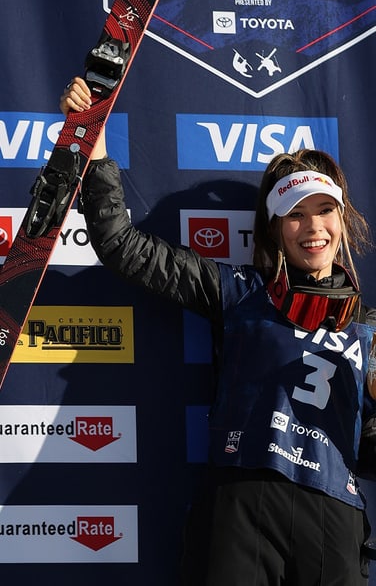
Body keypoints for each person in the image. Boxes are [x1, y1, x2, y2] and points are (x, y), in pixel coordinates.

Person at [61, 76, 376, 586]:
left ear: (342, 219)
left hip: (332, 519)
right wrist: (92, 147)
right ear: (273, 227)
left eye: (324, 211)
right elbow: (123, 246)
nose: (313, 227)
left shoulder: (368, 328)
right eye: (295, 215)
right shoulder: (238, 291)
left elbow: (369, 447)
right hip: (242, 507)